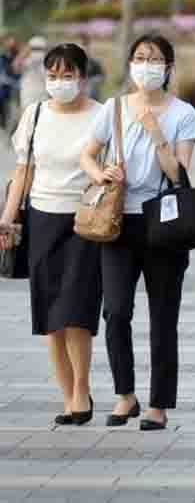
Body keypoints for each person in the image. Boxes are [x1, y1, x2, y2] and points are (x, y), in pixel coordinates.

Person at [80, 33, 195, 431]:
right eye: (139, 57)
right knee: (115, 311)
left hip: (164, 223)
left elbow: (179, 174)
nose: (145, 65)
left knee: (163, 316)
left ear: (168, 67)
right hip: (118, 222)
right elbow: (86, 153)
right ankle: (125, 394)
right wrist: (101, 173)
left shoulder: (182, 113)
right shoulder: (113, 108)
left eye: (154, 59)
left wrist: (154, 130)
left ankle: (158, 404)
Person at [0, 43, 103, 426]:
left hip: (84, 222)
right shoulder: (36, 114)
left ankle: (81, 389)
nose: (59, 82)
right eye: (53, 75)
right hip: (42, 219)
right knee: (50, 316)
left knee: (76, 310)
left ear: (82, 76)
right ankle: (67, 396)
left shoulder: (100, 115)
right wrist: (7, 220)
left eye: (67, 75)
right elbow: (23, 172)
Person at [14, 36, 48, 118]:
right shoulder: (26, 61)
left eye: (39, 49)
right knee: (27, 121)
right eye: (35, 48)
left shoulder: (48, 61)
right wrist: (23, 53)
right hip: (28, 95)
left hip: (42, 94)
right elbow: (15, 68)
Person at [0, 32, 20, 133]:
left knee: (11, 118)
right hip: (4, 94)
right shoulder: (3, 58)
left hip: (10, 93)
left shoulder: (15, 56)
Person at [79, 34, 106, 101]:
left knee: (90, 89)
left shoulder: (95, 63)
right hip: (79, 87)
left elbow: (102, 76)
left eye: (87, 48)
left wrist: (92, 81)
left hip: (90, 88)